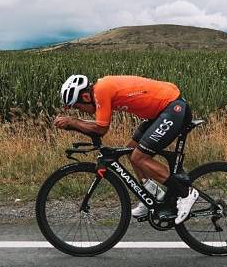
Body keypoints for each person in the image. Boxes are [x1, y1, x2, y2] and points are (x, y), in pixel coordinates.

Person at [53, 74, 199, 224]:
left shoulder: (101, 90)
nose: (80, 110)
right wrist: (74, 123)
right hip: (162, 111)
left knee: (139, 157)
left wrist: (73, 122)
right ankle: (150, 195)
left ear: (84, 96)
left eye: (77, 106)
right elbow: (98, 124)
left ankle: (185, 193)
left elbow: (101, 128)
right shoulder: (100, 90)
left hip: (172, 108)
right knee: (131, 151)